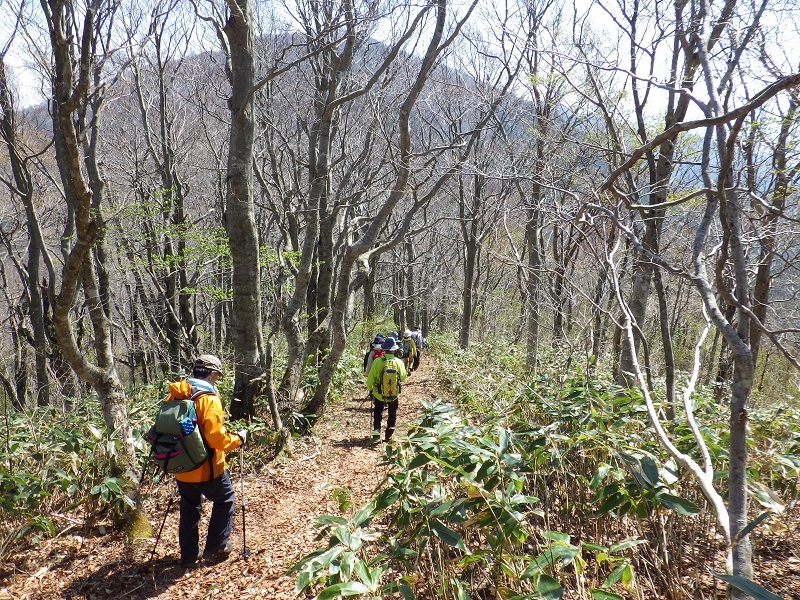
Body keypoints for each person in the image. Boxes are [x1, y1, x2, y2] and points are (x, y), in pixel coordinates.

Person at [165, 354, 247, 569]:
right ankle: (216, 547)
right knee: (225, 499)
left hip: (179, 465)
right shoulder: (208, 399)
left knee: (189, 508)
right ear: (212, 374)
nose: (217, 379)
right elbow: (216, 438)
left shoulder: (175, 395)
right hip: (206, 467)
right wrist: (238, 439)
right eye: (217, 375)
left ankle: (189, 556)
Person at [366, 337, 408, 444]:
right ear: (394, 350)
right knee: (392, 413)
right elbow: (403, 377)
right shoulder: (398, 362)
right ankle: (389, 434)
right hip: (394, 394)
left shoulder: (377, 361)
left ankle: (376, 435)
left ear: (384, 349)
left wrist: (371, 389)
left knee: (378, 412)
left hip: (379, 393)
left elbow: (370, 379)